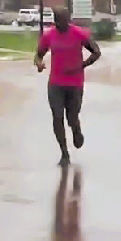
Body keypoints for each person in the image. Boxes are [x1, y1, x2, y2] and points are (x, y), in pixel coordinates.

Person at [34, 9, 101, 166]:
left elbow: (96, 52)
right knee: (57, 117)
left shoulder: (79, 34)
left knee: (72, 118)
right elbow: (38, 54)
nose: (60, 24)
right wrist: (39, 63)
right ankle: (64, 153)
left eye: (63, 21)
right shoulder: (49, 35)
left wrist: (81, 65)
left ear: (69, 20)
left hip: (75, 84)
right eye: (58, 21)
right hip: (56, 83)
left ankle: (76, 130)